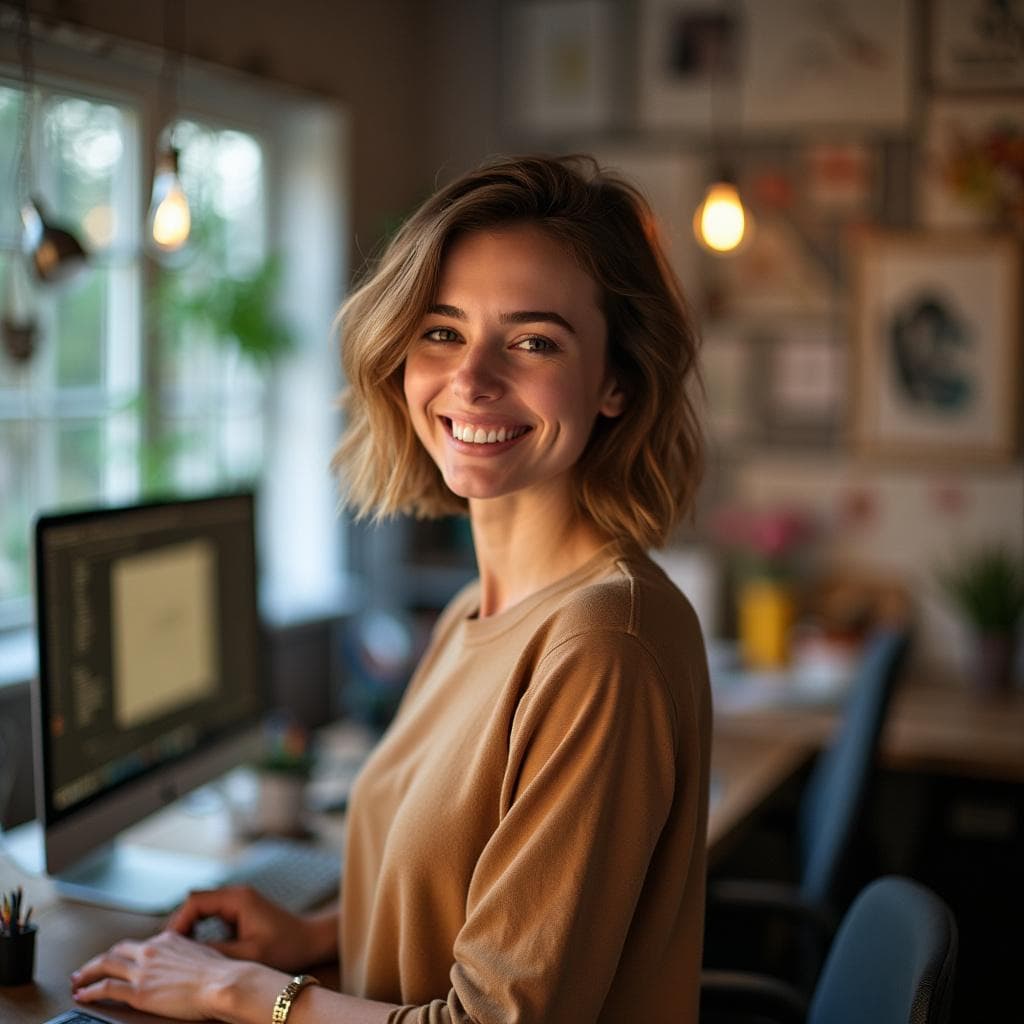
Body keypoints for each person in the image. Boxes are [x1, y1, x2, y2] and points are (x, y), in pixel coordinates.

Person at [71, 155, 712, 1023]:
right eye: (442, 331)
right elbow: (472, 904)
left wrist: (240, 990)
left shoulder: (602, 647)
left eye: (533, 341)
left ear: (615, 383)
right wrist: (317, 938)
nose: (473, 378)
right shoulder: (472, 610)